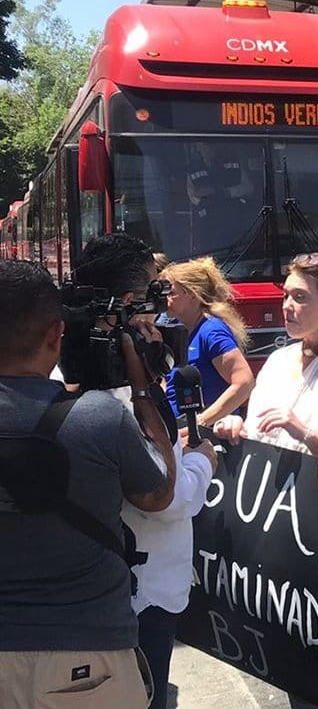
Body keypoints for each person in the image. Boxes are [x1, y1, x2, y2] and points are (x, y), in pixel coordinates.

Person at [0, 259, 198, 709]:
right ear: (56, 334)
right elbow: (161, 491)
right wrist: (144, 389)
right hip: (85, 655)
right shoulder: (98, 420)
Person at [75, 233, 219, 709]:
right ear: (128, 304)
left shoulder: (62, 372)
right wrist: (200, 460)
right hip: (142, 594)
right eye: (151, 302)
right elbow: (166, 499)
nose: (159, 322)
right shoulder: (118, 400)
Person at [212, 253, 318, 608]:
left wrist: (302, 430)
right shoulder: (277, 361)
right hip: (271, 517)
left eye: (301, 298)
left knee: (314, 642)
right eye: (287, 295)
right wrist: (236, 427)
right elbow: (260, 429)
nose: (288, 306)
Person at [160, 257, 255, 426]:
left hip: (207, 438)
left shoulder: (211, 331)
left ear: (193, 295)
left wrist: (201, 421)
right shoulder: (180, 331)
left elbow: (244, 382)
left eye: (171, 293)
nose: (165, 299)